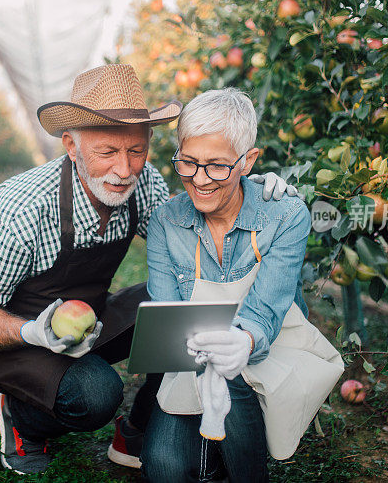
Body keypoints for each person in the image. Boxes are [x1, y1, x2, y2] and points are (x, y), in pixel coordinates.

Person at [0, 65, 300, 476]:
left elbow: (193, 219)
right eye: (107, 153)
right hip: (13, 336)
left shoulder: (144, 184)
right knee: (96, 393)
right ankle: (23, 418)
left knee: (176, 315)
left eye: (136, 151)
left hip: (87, 321)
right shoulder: (23, 208)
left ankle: (136, 428)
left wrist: (249, 187)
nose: (124, 169)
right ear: (71, 145)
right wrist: (34, 332)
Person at [140, 88, 312, 482]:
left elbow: (265, 311)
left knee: (232, 374)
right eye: (188, 163)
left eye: (217, 166)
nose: (200, 180)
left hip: (269, 355)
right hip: (196, 363)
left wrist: (243, 340)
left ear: (247, 161)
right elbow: (168, 319)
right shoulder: (167, 222)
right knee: (164, 467)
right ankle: (213, 452)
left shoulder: (285, 215)